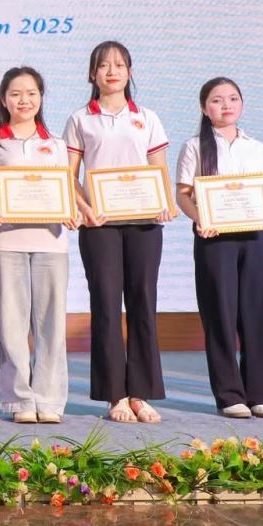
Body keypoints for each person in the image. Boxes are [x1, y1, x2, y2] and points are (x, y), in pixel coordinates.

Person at [65, 40, 172, 425]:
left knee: (143, 302)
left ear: (129, 72)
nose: (112, 71)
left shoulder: (147, 117)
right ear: (92, 74)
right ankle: (115, 395)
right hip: (99, 226)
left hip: (144, 223)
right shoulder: (81, 119)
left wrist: (164, 200)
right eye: (104, 65)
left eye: (119, 65)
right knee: (106, 306)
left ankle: (141, 393)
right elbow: (69, 175)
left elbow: (158, 168)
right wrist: (85, 208)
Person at [175, 76, 263, 419]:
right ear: (204, 108)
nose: (226, 105)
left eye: (233, 98)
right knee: (220, 314)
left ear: (242, 105)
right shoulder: (195, 146)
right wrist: (200, 219)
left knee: (258, 313)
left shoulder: (258, 148)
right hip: (214, 239)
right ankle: (229, 394)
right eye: (217, 100)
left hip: (254, 238)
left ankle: (262, 394)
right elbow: (183, 195)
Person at [0, 67, 75, 426]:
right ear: (3, 100)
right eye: (16, 94)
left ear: (41, 98)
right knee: (11, 325)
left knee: (51, 324)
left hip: (51, 242)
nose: (24, 100)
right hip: (6, 242)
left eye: (31, 93)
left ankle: (49, 399)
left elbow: (65, 189)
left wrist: (71, 211)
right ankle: (19, 399)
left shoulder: (57, 144)